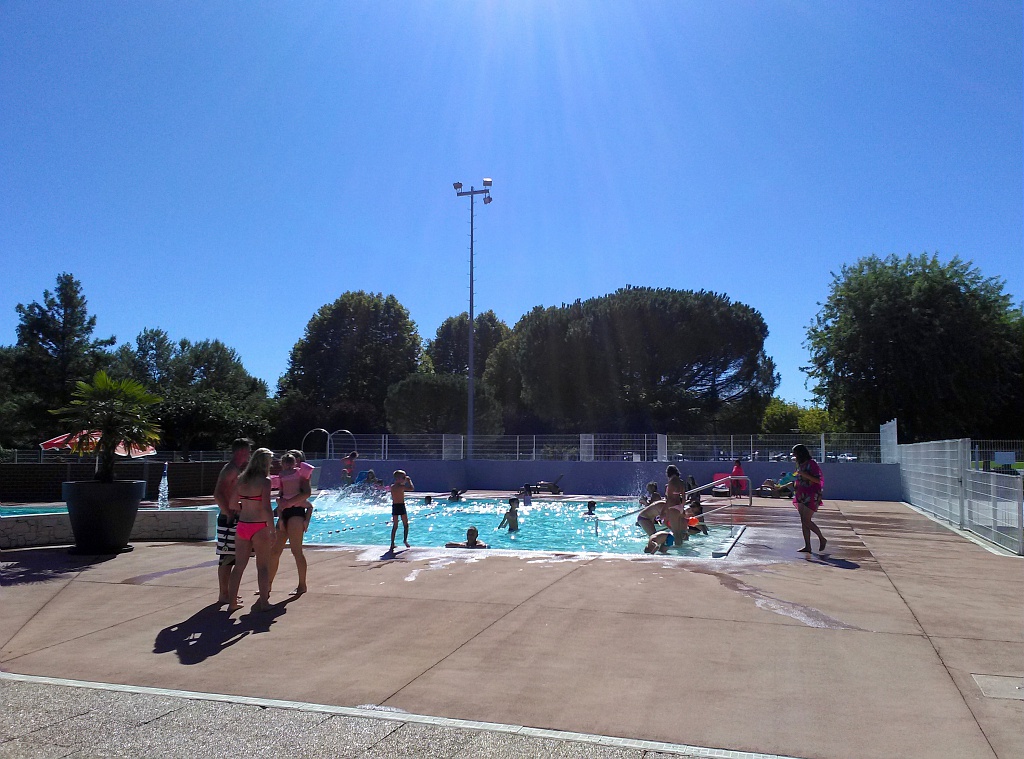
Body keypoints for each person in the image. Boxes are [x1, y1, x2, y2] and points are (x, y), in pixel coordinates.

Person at [226, 448, 276, 613]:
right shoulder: (265, 481)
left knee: (239, 566)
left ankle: (232, 603)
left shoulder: (242, 479)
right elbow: (266, 507)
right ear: (265, 463)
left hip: (243, 525)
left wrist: (246, 506)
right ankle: (264, 603)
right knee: (263, 566)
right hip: (259, 525)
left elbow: (232, 504)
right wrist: (272, 530)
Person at [213, 438, 252, 606]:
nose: (249, 454)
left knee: (233, 557)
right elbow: (218, 494)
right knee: (227, 557)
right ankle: (224, 594)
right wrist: (229, 513)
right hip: (228, 518)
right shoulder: (231, 469)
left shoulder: (234, 469)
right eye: (248, 451)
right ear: (241, 451)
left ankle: (228, 592)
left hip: (233, 516)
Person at [269, 453, 313, 595]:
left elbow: (307, 496)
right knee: (275, 551)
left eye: (290, 462)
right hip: (285, 511)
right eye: (285, 463)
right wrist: (281, 509)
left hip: (296, 512)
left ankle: (302, 584)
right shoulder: (282, 476)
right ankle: (267, 585)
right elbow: (281, 494)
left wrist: (305, 520)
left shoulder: (301, 475)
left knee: (296, 551)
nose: (288, 466)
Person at [792, 444, 827, 553]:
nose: (794, 456)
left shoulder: (812, 464)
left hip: (812, 494)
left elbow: (817, 480)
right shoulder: (800, 464)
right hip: (801, 494)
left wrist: (804, 474)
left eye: (795, 453)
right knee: (803, 521)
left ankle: (821, 538)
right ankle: (807, 546)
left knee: (806, 520)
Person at [662, 465, 690, 543]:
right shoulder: (681, 482)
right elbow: (684, 498)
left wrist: (663, 511)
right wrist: (682, 508)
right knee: (679, 532)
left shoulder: (671, 482)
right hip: (679, 507)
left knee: (676, 532)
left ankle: (678, 547)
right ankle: (680, 546)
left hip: (673, 507)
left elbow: (669, 499)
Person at [390, 469, 415, 551]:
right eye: (404, 477)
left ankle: (392, 543)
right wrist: (409, 481)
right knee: (405, 524)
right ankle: (405, 540)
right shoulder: (401, 487)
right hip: (401, 505)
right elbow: (412, 488)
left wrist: (404, 480)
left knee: (395, 526)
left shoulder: (393, 487)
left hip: (395, 506)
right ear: (398, 479)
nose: (405, 479)